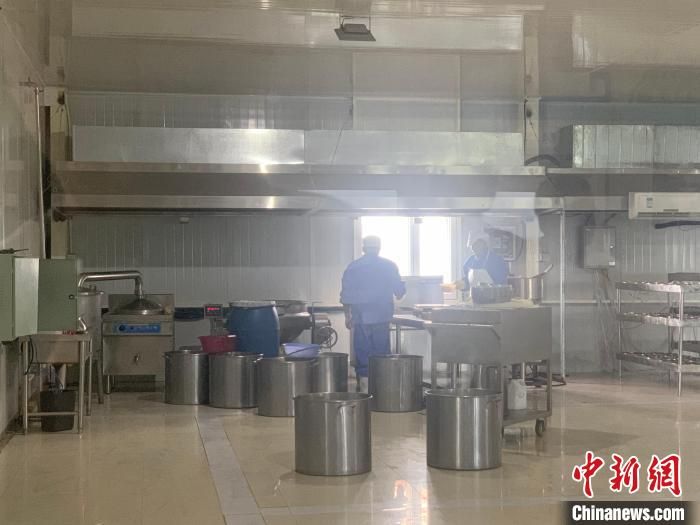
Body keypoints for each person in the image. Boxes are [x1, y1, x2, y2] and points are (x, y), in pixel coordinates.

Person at [340, 235, 406, 392]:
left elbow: (345, 296)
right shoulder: (389, 266)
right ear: (379, 248)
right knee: (381, 354)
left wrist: (347, 316)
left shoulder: (353, 267)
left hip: (361, 317)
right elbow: (399, 292)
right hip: (381, 317)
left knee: (363, 352)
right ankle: (382, 390)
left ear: (363, 248)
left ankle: (364, 386)